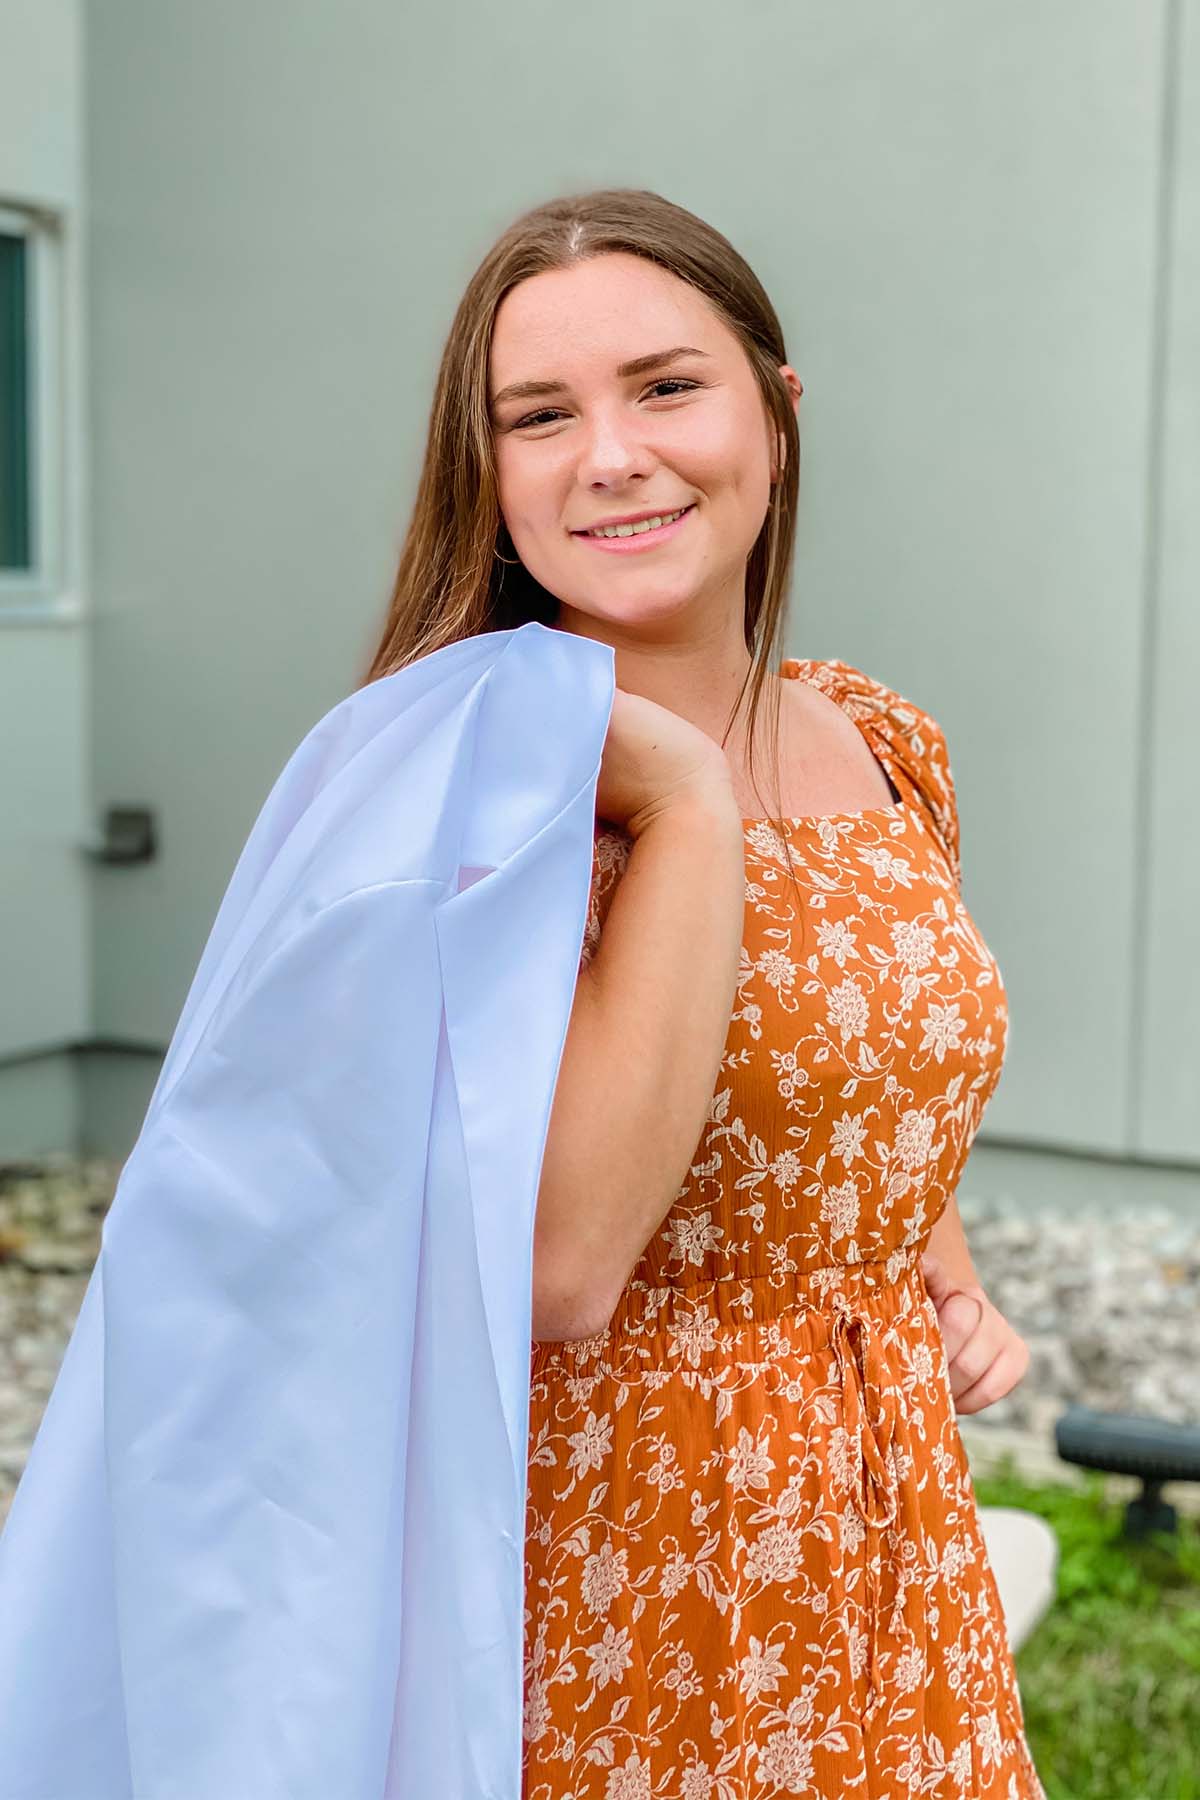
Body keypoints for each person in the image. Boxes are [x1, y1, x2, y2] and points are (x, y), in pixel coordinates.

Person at [363, 189, 1044, 1799]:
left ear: (776, 414)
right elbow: (560, 1267)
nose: (610, 453)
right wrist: (674, 801)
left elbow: (859, 1050)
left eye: (666, 386)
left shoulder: (881, 739)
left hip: (889, 1516)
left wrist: (937, 1271)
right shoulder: (479, 800)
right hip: (629, 1545)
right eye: (542, 415)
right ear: (494, 475)